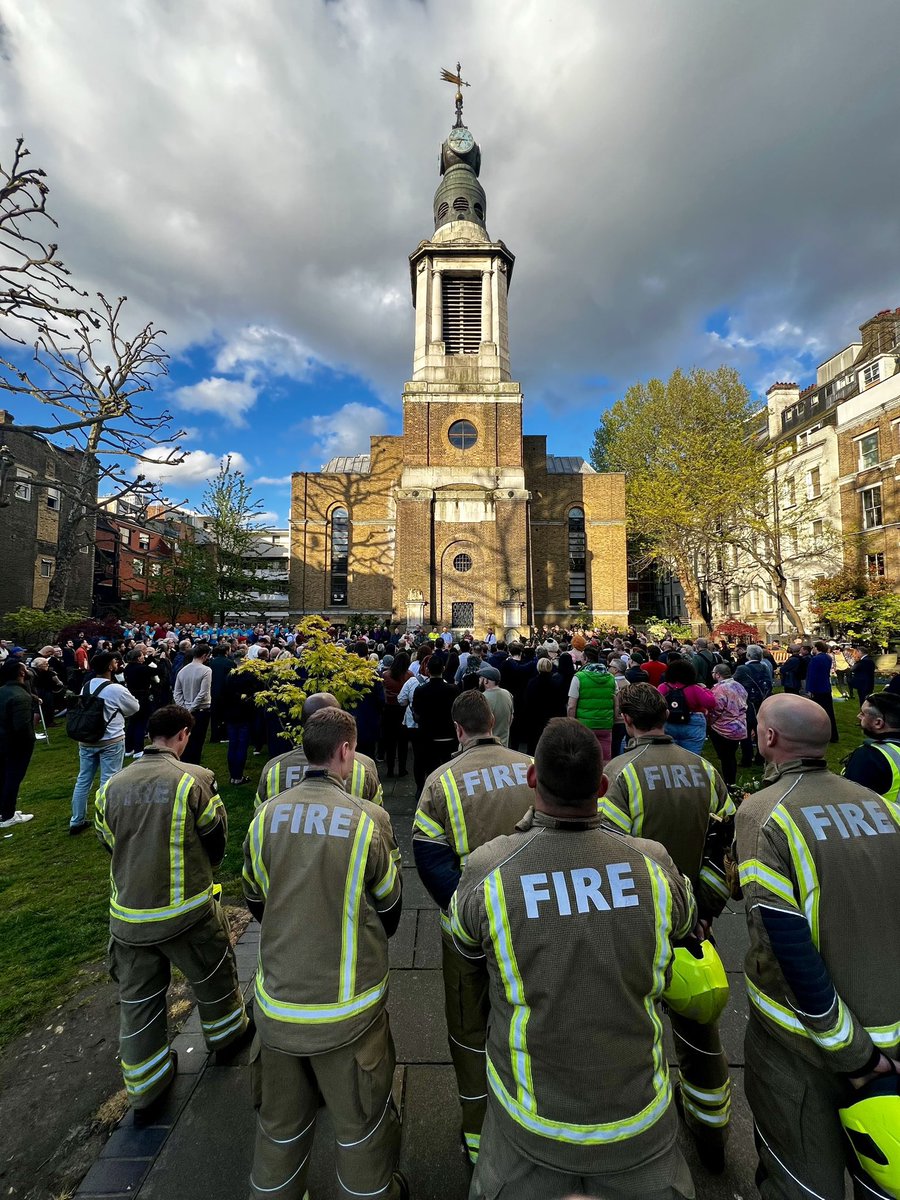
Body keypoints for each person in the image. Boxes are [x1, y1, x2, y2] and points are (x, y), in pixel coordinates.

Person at [450, 718, 697, 1200]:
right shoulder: (652, 863)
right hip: (639, 1115)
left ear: (531, 779)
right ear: (603, 786)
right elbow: (686, 925)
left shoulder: (490, 869)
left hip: (529, 1116)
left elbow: (463, 944)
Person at [733, 694, 900, 1199]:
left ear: (768, 739)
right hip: (890, 1030)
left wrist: (852, 1053)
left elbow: (785, 944)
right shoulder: (879, 805)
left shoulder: (764, 812)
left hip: (804, 1043)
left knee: (800, 1176)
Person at [243, 708, 407, 1200]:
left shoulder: (266, 815)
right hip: (348, 1010)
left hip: (276, 1003)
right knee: (361, 1125)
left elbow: (255, 897)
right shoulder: (369, 820)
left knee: (279, 1128)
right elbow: (392, 907)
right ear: (345, 751)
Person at [602, 683, 735, 1170]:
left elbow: (607, 856)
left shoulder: (617, 775)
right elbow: (726, 850)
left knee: (632, 1023)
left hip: (634, 924)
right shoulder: (705, 769)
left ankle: (633, 1126)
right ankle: (713, 1130)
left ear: (626, 719)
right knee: (701, 1032)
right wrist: (704, 910)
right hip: (695, 923)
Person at [95, 704, 249, 1120]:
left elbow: (109, 840)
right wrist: (205, 869)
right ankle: (228, 1037)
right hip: (187, 911)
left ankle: (146, 1086)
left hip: (129, 916)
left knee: (139, 1003)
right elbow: (215, 836)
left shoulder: (111, 786)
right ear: (183, 735)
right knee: (215, 978)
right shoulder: (195, 780)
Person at [413, 690, 534, 1164]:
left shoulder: (441, 781)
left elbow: (429, 854)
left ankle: (478, 1131)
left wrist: (461, 910)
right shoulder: (529, 764)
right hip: (530, 915)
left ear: (458, 730)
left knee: (468, 1027)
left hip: (468, 923)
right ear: (493, 721)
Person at [255, 692, 384, 810]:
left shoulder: (273, 768)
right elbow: (377, 815)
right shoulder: (365, 766)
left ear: (305, 725)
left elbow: (259, 813)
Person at [69, 651, 139, 835]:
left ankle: (76, 819)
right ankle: (107, 819)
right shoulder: (115, 689)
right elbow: (134, 707)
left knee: (83, 779)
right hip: (110, 739)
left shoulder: (86, 686)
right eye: (115, 661)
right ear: (109, 666)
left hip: (87, 739)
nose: (117, 663)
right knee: (109, 780)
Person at [843, 690, 900, 798]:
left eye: (863, 713)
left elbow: (849, 801)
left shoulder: (869, 757)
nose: (858, 716)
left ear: (878, 723)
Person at [0, 657, 35, 827]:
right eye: (25, 668)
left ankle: (5, 810)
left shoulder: (3, 691)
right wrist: (29, 742)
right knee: (13, 778)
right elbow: (21, 727)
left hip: (3, 741)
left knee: (4, 776)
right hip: (15, 745)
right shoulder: (20, 695)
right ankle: (8, 815)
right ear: (21, 672)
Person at [566, 646, 616, 764]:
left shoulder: (579, 677)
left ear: (586, 659)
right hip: (605, 724)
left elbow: (571, 706)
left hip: (584, 725)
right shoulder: (611, 678)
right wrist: (611, 720)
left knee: (583, 759)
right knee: (605, 760)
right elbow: (616, 702)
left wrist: (571, 724)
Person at [411, 655, 458, 781]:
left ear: (427, 670)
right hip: (449, 735)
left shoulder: (420, 690)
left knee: (430, 770)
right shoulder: (453, 689)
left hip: (428, 736)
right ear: (443, 669)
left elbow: (416, 715)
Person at [658, 658, 715, 755]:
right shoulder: (695, 688)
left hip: (669, 722)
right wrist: (705, 688)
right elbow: (711, 703)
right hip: (693, 723)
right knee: (692, 757)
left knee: (670, 756)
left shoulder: (663, 687)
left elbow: (656, 704)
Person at [708, 663, 748, 787]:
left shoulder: (719, 689)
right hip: (739, 726)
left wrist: (710, 721)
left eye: (713, 673)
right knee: (730, 755)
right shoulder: (738, 685)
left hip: (723, 728)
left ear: (718, 674)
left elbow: (716, 708)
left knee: (726, 757)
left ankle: (729, 782)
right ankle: (731, 780)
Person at [173, 643, 213, 763]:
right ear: (205, 656)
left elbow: (176, 692)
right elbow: (203, 692)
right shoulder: (206, 670)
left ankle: (185, 763)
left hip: (186, 708)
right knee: (197, 741)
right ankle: (194, 765)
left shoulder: (182, 670)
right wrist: (191, 707)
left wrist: (183, 706)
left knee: (186, 739)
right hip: (200, 710)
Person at [523, 656, 566, 754]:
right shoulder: (555, 683)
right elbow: (559, 703)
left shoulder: (532, 683)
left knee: (533, 745)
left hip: (535, 718)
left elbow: (527, 701)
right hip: (550, 719)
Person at [381, 652, 412, 777]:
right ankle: (402, 768)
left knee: (390, 742)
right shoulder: (409, 676)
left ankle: (390, 769)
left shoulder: (385, 675)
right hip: (403, 710)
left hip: (389, 710)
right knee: (403, 742)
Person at [804, 640, 839, 743]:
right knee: (829, 712)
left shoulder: (815, 659)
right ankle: (833, 734)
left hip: (817, 688)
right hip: (825, 687)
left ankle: (818, 734)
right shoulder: (827, 657)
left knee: (816, 713)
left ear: (817, 648)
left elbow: (811, 675)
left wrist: (809, 689)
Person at [478, 663, 514, 748]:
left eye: (480, 678)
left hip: (488, 746)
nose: (479, 681)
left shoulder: (481, 698)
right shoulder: (508, 694)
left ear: (486, 681)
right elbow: (511, 718)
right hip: (504, 744)